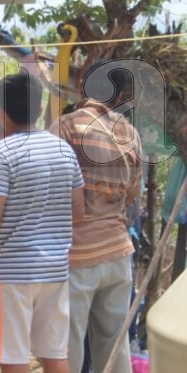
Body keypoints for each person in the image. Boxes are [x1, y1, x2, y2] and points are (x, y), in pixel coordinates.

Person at [0, 73, 84, 373]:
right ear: (38, 110)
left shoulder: (0, 154)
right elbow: (78, 211)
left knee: (12, 357)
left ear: (0, 111)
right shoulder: (64, 151)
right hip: (54, 270)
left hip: (9, 272)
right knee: (54, 354)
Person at [48, 64, 142, 373]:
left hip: (77, 254)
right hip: (118, 254)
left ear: (82, 85)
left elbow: (50, 186)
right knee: (114, 347)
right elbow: (131, 195)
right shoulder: (130, 133)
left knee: (67, 345)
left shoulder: (66, 126)